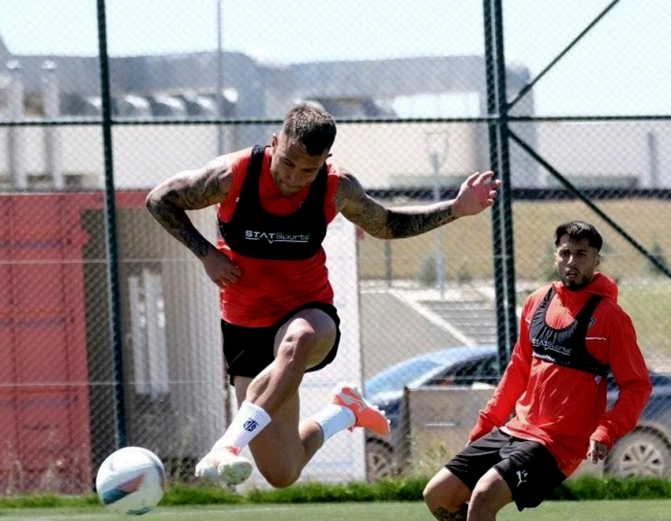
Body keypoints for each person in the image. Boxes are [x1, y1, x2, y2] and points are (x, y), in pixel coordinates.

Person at [146, 102, 501, 488]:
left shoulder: (336, 187)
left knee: (298, 340)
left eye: (308, 170)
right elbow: (160, 199)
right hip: (245, 324)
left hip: (308, 312)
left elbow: (386, 224)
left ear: (325, 161)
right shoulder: (232, 175)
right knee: (282, 472)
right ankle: (343, 413)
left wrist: (456, 208)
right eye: (287, 163)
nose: (293, 177)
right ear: (274, 142)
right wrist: (206, 253)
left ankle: (227, 445)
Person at [423, 220, 653, 521]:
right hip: (516, 429)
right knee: (439, 495)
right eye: (565, 252)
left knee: (483, 496)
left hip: (558, 445)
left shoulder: (610, 318)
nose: (571, 261)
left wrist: (606, 430)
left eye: (581, 254)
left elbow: (637, 386)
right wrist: (487, 423)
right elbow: (518, 369)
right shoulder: (537, 301)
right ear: (555, 255)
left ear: (596, 261)